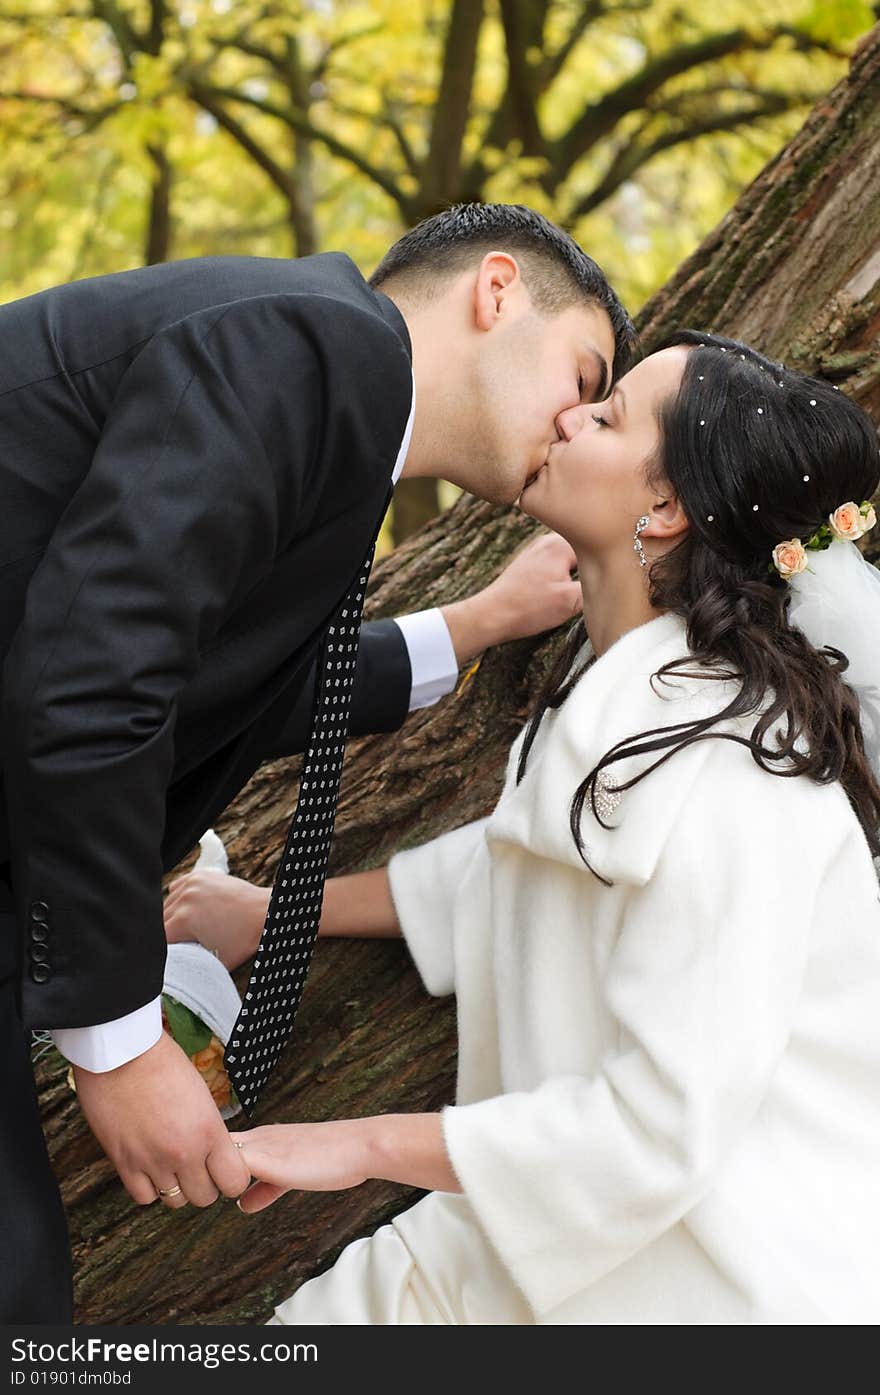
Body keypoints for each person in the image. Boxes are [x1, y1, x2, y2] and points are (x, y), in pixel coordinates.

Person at [0, 203, 633, 1322]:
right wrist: (117, 1040)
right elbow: (94, 685)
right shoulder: (301, 347)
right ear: (495, 292)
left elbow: (220, 675)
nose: (576, 424)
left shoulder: (332, 410)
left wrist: (474, 625)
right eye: (584, 375)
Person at [185, 333, 880, 1324]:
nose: (569, 416)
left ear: (665, 508)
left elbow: (656, 1129)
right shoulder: (619, 713)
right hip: (541, 1237)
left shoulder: (736, 776)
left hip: (717, 1284)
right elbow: (516, 871)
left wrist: (352, 1143)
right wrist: (272, 914)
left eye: (608, 416)